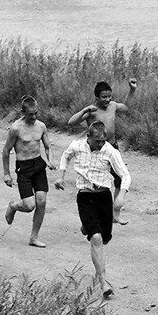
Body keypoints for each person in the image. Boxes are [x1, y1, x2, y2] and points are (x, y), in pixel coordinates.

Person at [54, 121, 131, 300]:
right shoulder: (77, 146)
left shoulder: (110, 151)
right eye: (98, 141)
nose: (101, 144)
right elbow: (65, 156)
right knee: (96, 238)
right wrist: (61, 176)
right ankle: (103, 282)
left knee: (104, 239)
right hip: (85, 197)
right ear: (88, 137)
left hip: (103, 197)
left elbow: (125, 174)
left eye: (103, 140)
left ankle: (86, 227)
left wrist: (121, 195)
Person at [67, 78, 137, 224]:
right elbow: (71, 122)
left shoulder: (113, 106)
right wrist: (84, 110)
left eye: (109, 96)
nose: (107, 99)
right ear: (97, 97)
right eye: (104, 97)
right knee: (96, 182)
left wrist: (132, 90)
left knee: (119, 179)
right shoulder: (92, 110)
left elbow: (126, 107)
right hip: (97, 150)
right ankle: (93, 213)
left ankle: (115, 214)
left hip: (112, 147)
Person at [2, 96, 55, 248]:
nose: (33, 117)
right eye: (30, 114)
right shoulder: (15, 128)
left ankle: (34, 237)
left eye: (36, 113)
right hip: (23, 168)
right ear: (23, 112)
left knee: (42, 201)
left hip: (38, 165)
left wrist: (51, 160)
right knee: (29, 205)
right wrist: (7, 174)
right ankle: (13, 206)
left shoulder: (41, 126)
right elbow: (6, 151)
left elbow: (47, 146)